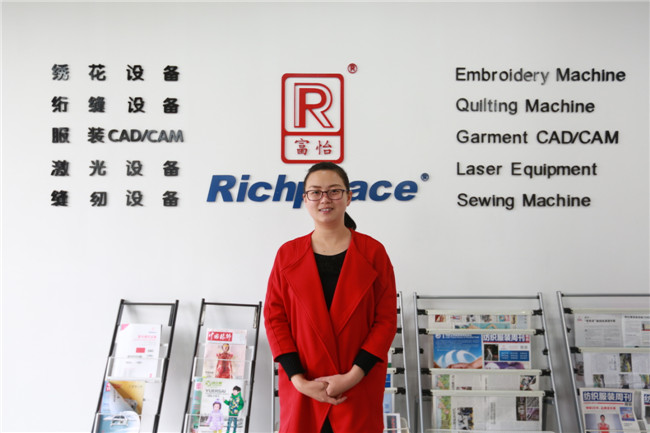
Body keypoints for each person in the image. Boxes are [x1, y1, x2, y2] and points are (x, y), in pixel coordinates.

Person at [264, 162, 397, 433]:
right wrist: (298, 379)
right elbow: (275, 319)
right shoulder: (287, 255)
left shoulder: (373, 253)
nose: (325, 199)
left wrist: (353, 376)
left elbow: (385, 321)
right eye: (315, 192)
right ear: (305, 199)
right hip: (304, 387)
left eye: (334, 191)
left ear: (349, 197)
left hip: (356, 386)